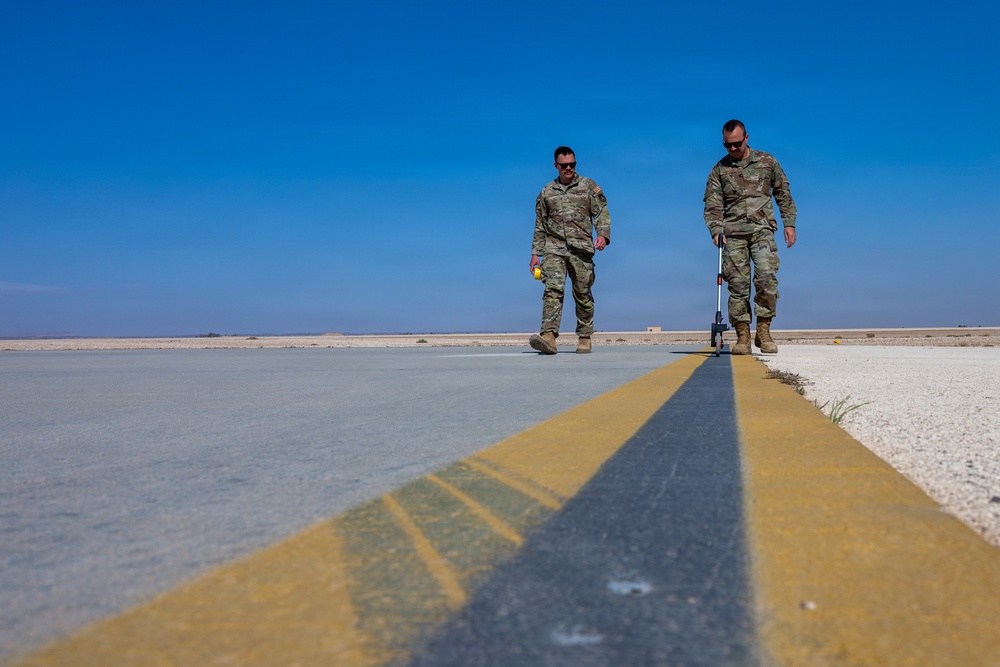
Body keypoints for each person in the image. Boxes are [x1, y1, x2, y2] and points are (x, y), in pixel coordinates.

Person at [703, 120, 797, 355]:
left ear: (746, 138)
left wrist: (790, 223)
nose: (732, 149)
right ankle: (743, 335)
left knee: (766, 278)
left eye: (736, 144)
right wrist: (716, 230)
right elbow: (712, 204)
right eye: (727, 145)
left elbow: (782, 192)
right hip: (733, 234)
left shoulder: (767, 162)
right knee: (738, 285)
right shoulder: (719, 170)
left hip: (762, 230)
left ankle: (763, 332)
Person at [529, 146, 611, 355]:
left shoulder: (588, 186)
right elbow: (540, 224)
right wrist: (535, 254)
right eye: (564, 165)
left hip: (581, 248)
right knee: (552, 290)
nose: (568, 168)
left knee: (582, 293)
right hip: (553, 248)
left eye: (572, 165)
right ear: (555, 166)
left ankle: (584, 336)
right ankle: (548, 335)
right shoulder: (547, 192)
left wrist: (602, 235)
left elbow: (601, 212)